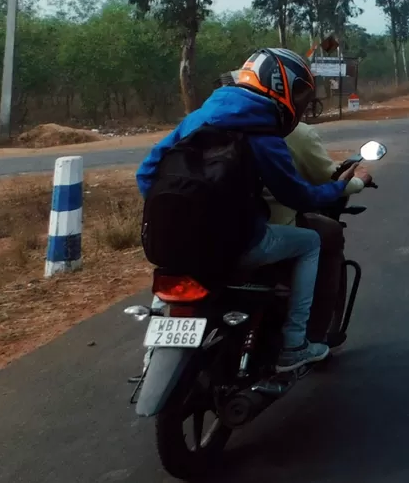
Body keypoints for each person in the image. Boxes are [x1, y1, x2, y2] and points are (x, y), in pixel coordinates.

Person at [137, 48, 369, 371]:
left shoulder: (198, 118)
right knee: (311, 243)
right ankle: (294, 345)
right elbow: (297, 195)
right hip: (237, 244)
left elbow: (145, 173)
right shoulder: (263, 131)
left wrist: (176, 217)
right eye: (299, 91)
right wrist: (337, 187)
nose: (301, 102)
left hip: (169, 241)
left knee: (175, 266)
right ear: (280, 86)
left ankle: (151, 357)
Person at [266, 116, 370, 346]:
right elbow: (318, 184)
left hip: (201, 232)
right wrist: (356, 182)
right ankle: (309, 337)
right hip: (258, 230)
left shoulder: (200, 123)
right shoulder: (283, 129)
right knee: (320, 237)